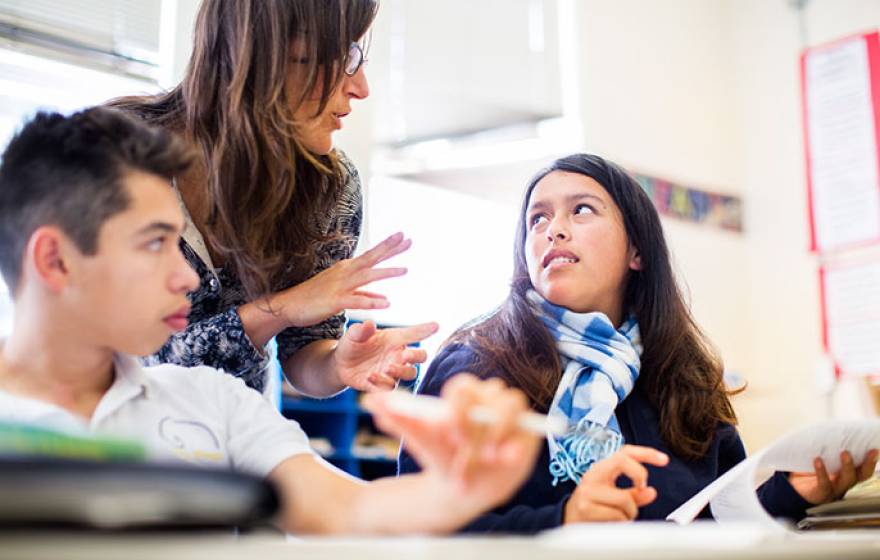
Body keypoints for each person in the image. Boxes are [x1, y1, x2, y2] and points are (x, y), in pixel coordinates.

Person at [0, 107, 540, 535]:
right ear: (55, 260)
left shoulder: (215, 402)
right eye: (155, 243)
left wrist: (461, 483)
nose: (187, 276)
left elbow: (350, 510)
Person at [399, 153, 879, 533]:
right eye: (537, 219)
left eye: (581, 210)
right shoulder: (475, 366)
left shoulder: (684, 374)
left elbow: (709, 521)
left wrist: (792, 494)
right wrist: (565, 521)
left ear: (636, 251)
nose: (554, 230)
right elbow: (420, 527)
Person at [110, 0, 432, 395]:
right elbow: (120, 362)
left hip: (229, 429)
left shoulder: (331, 187)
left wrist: (338, 363)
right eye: (344, 56)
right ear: (264, 50)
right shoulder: (112, 149)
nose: (361, 88)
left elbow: (306, 352)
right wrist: (279, 309)